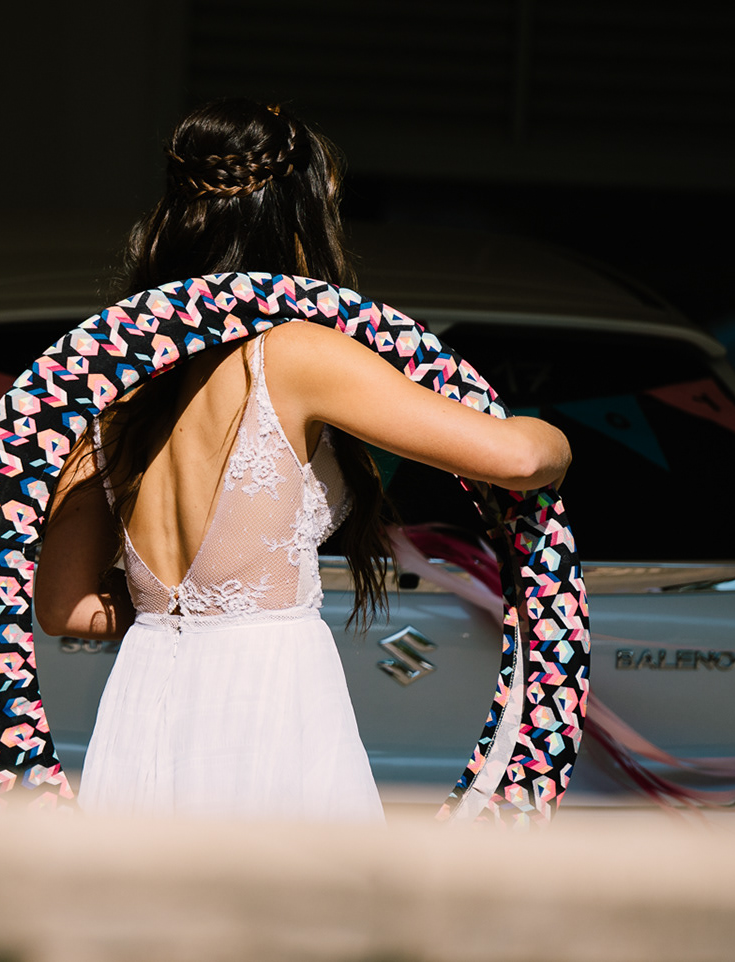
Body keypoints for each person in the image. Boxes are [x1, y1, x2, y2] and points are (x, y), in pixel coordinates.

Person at [35, 99, 571, 821]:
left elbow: (63, 607)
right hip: (269, 696)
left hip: (145, 693)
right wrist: (555, 437)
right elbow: (517, 459)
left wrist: (184, 618)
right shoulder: (294, 354)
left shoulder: (116, 383)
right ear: (299, 219)